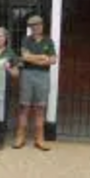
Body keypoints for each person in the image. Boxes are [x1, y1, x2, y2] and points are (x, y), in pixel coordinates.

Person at [14, 15, 57, 151]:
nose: (35, 28)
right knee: (24, 107)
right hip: (27, 75)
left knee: (40, 108)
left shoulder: (48, 41)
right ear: (30, 28)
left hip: (43, 76)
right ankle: (20, 137)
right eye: (32, 26)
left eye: (38, 25)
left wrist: (33, 58)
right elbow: (25, 56)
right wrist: (42, 57)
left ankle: (40, 139)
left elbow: (53, 60)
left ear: (42, 26)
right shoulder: (26, 40)